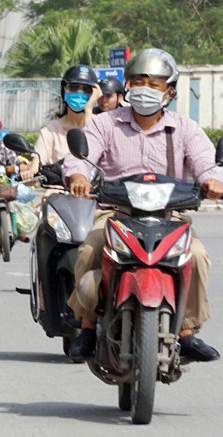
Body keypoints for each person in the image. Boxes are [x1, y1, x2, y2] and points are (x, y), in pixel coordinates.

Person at [64, 48, 223, 362]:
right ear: (127, 85)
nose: (145, 89)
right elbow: (80, 157)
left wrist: (213, 181)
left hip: (170, 216)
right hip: (116, 214)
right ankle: (85, 326)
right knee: (88, 250)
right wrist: (79, 176)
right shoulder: (104, 125)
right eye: (138, 81)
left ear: (170, 91)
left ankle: (187, 331)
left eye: (155, 84)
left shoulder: (186, 129)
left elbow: (207, 164)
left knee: (199, 256)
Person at [21, 64, 101, 181]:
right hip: (60, 193)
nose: (79, 92)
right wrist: (30, 173)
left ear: (94, 94)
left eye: (86, 89)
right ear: (64, 90)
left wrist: (89, 110)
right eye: (73, 87)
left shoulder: (103, 125)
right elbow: (36, 163)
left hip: (94, 194)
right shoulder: (50, 131)